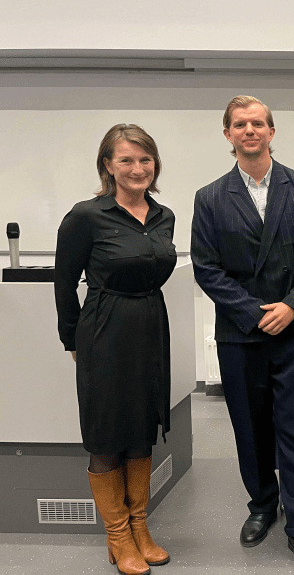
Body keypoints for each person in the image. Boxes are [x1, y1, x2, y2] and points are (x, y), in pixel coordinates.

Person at [191, 96, 294, 575]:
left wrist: (291, 306)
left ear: (271, 131)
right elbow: (206, 268)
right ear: (227, 134)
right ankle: (263, 504)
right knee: (249, 427)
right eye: (240, 124)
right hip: (240, 333)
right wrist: (254, 313)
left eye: (257, 123)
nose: (249, 130)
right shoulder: (210, 197)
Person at [55, 124, 175, 575]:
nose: (137, 168)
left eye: (145, 159)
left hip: (151, 328)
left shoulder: (163, 215)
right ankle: (118, 535)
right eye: (126, 159)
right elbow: (64, 284)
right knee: (106, 434)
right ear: (107, 165)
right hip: (104, 331)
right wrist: (72, 339)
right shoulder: (86, 216)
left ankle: (140, 527)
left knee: (142, 429)